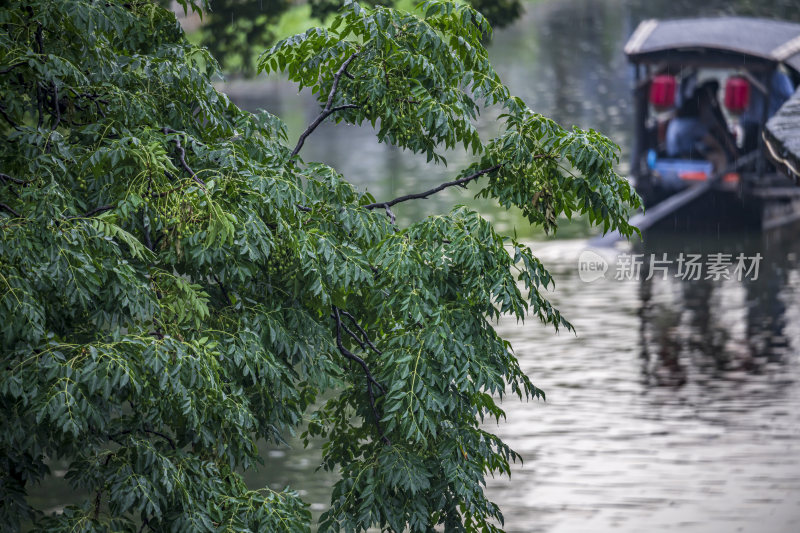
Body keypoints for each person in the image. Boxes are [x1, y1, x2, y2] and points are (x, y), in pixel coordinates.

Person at [666, 80, 728, 171]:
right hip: (683, 157)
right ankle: (719, 179)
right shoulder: (693, 124)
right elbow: (712, 142)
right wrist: (723, 151)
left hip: (673, 155)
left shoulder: (676, 121)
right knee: (719, 156)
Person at [740, 69, 795, 153]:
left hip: (769, 128)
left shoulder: (778, 77)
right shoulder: (746, 77)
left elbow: (790, 102)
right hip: (754, 128)